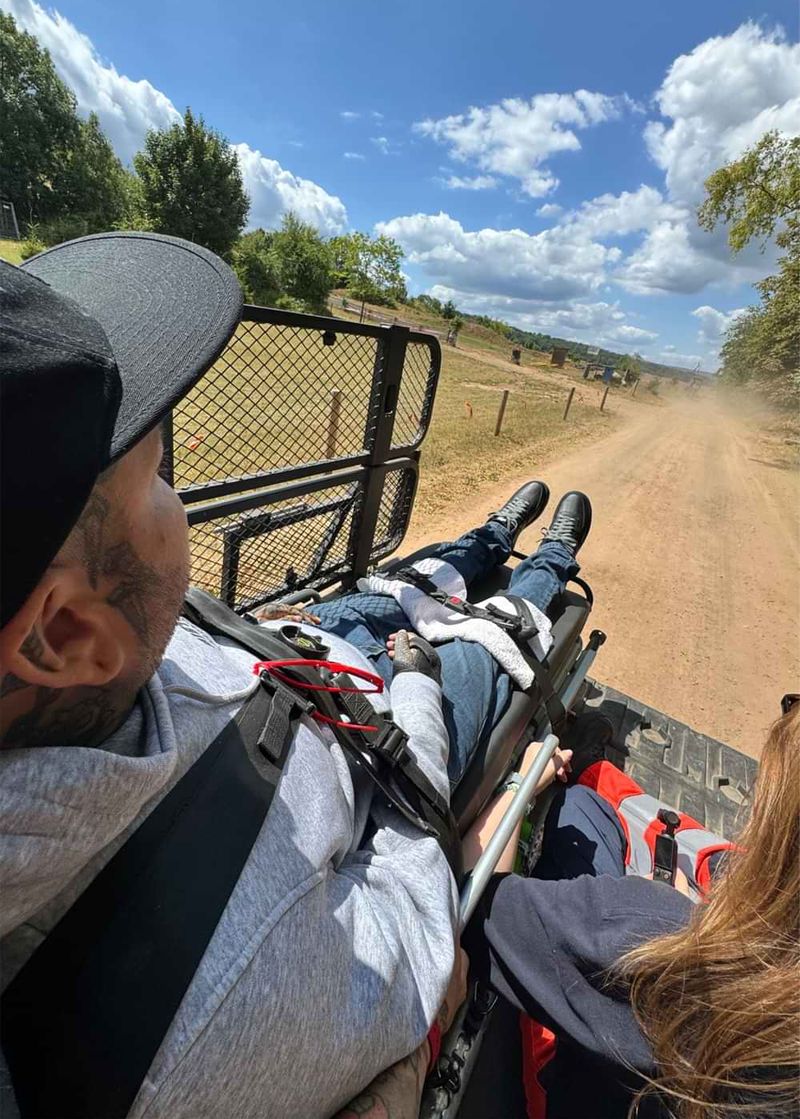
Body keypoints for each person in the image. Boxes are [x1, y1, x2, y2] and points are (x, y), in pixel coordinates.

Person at [0, 232, 591, 1119]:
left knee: (409, 579)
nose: (181, 501)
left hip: (280, 646)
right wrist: (417, 680)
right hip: (389, 732)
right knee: (495, 633)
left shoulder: (73, 683)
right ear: (65, 636)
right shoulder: (212, 1012)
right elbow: (409, 907)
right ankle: (548, 562)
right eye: (162, 476)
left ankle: (490, 537)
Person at [464, 701, 800, 1119]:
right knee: (712, 859)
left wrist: (522, 783)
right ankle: (592, 770)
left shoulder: (654, 938)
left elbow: (473, 905)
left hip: (579, 1083)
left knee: (579, 811)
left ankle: (585, 771)